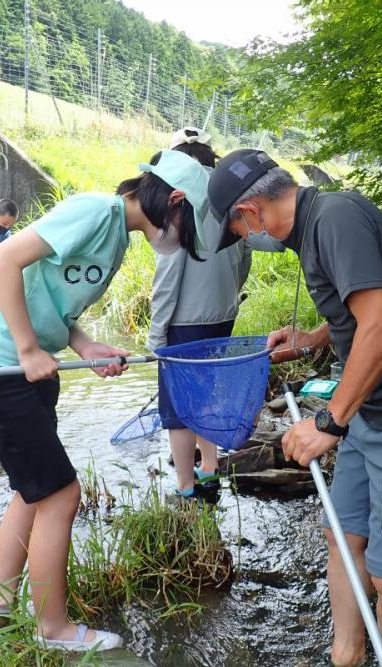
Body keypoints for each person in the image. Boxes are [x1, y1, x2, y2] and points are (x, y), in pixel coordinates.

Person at [207, 149, 382, 667]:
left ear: (252, 212)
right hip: (371, 411)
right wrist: (312, 338)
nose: (246, 240)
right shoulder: (315, 228)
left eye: (238, 230)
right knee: (343, 537)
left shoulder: (336, 217)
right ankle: (345, 656)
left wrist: (329, 422)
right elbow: (363, 308)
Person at [0, 149, 210, 652]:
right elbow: (1, 260)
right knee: (62, 494)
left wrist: (83, 344)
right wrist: (28, 348)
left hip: (23, 369)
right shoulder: (96, 211)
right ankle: (53, 629)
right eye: (189, 223)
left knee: (34, 490)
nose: (184, 236)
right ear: (174, 201)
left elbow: (51, 297)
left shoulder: (118, 235)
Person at [147, 127, 252, 499]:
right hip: (223, 314)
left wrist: (156, 336)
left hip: (184, 323)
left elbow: (168, 275)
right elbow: (245, 255)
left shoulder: (177, 198)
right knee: (208, 395)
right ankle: (209, 468)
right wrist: (231, 294)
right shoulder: (229, 197)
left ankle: (185, 485)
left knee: (178, 406)